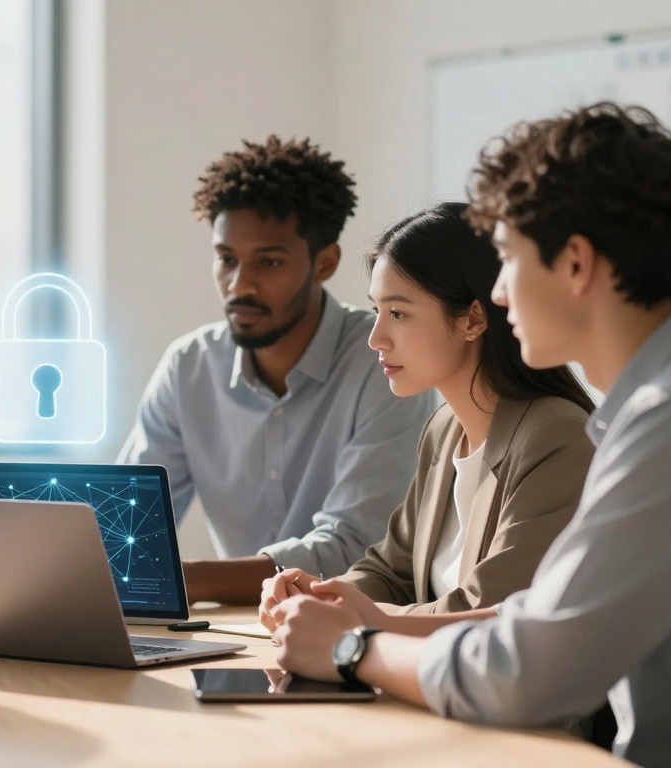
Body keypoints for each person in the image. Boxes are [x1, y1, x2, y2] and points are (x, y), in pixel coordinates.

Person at [264, 103, 671, 767]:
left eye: (507, 259)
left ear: (575, 263)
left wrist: (353, 647)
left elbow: (527, 670)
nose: (501, 294)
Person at [119, 135, 436, 603]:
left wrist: (181, 579)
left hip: (351, 648)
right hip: (231, 649)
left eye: (268, 261)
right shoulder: (189, 367)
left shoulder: (385, 360)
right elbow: (125, 520)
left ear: (324, 262)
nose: (239, 285)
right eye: (226, 260)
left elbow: (355, 549)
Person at [267, 202, 594, 617]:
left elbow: (490, 611)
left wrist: (353, 619)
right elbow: (392, 572)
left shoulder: (556, 438)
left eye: (398, 313)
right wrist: (318, 596)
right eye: (376, 311)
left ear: (473, 319)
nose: (376, 338)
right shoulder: (444, 430)